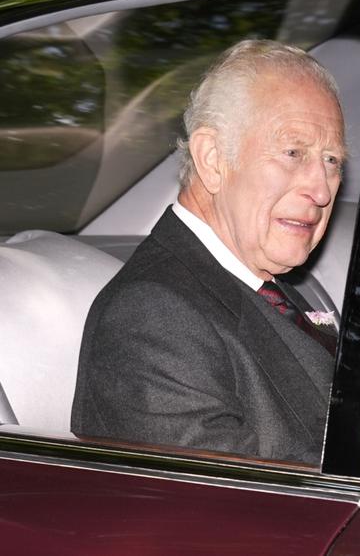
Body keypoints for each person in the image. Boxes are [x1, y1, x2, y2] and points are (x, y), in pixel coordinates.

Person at [71, 39, 345, 464]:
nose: (322, 188)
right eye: (294, 152)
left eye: (332, 161)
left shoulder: (271, 285)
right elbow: (228, 513)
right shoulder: (151, 318)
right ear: (213, 159)